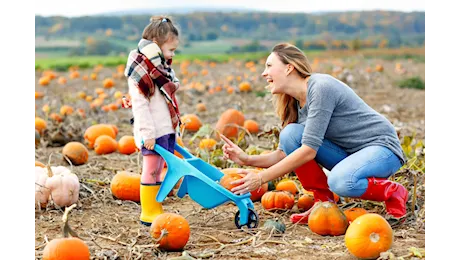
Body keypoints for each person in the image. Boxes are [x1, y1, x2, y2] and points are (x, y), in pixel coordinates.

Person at [221, 42, 408, 224]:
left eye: (269, 66)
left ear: (289, 68)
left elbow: (309, 151)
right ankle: (323, 204)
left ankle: (393, 192)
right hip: (350, 155)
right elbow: (284, 154)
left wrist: (261, 178)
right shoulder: (295, 103)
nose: (264, 73)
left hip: (382, 150)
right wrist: (247, 159)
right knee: (290, 134)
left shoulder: (320, 87)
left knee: (340, 182)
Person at [123, 15, 182, 226]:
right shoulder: (140, 73)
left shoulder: (160, 69)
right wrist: (147, 135)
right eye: (171, 49)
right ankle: (148, 210)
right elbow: (140, 107)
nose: (173, 54)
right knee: (150, 168)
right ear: (156, 45)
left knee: (158, 169)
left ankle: (156, 206)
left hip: (164, 129)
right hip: (152, 133)